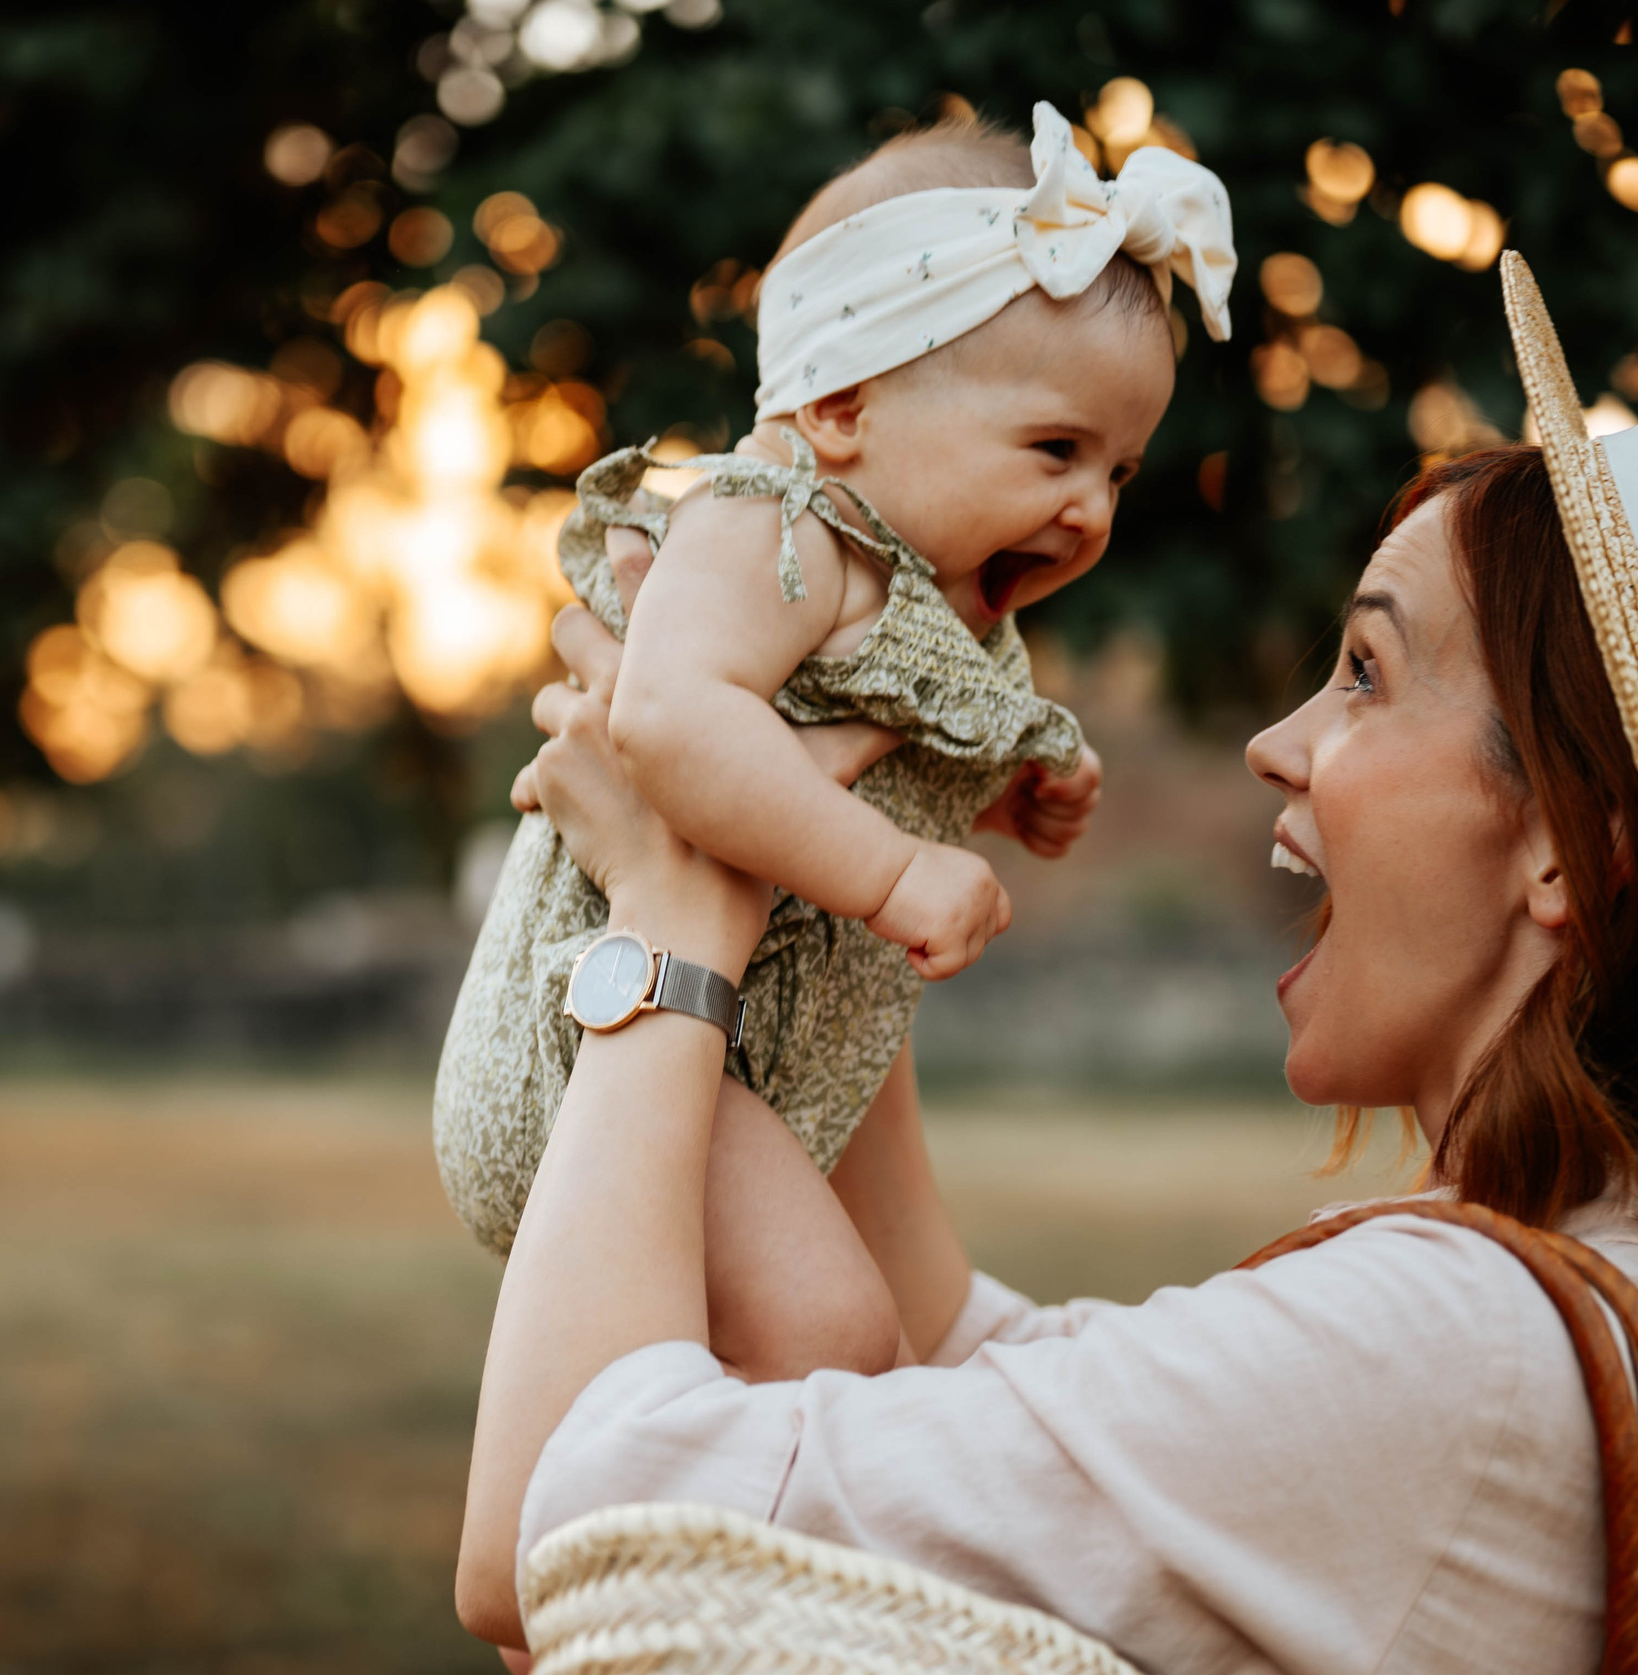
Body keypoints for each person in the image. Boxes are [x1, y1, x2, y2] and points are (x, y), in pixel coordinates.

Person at [453, 254, 1638, 1675]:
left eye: (1368, 673)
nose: (1280, 741)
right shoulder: (1599, 1305)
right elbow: (950, 1352)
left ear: (1571, 845)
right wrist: (830, 853)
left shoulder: (1455, 1355)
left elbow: (568, 1534)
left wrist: (665, 918)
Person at [429, 103, 1235, 1381]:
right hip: (611, 1031)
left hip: (750, 1050)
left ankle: (761, 1534)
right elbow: (670, 721)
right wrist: (893, 872)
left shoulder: (931, 591)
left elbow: (823, 760)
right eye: (1055, 450)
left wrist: (987, 801)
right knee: (832, 1335)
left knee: (882, 1347)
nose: (1088, 510)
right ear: (847, 404)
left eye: (1121, 472)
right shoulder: (772, 526)